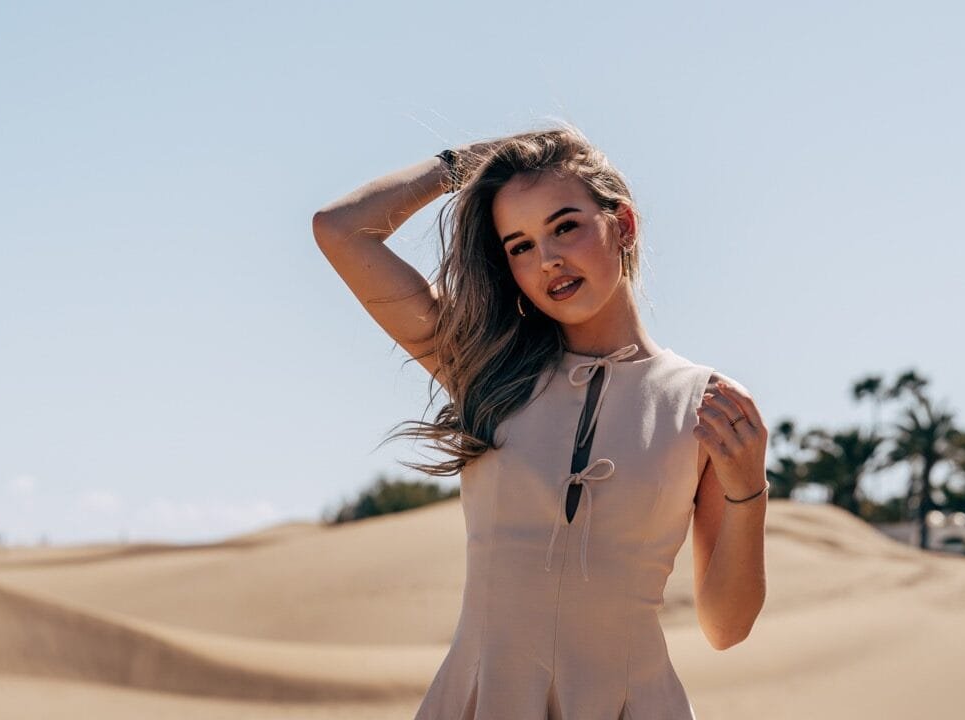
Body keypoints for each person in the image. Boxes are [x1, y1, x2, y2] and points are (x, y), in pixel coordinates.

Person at [312, 123, 769, 719]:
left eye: (565, 226)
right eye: (520, 245)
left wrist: (747, 491)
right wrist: (466, 164)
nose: (548, 259)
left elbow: (725, 628)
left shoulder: (706, 403)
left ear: (624, 226)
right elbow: (341, 230)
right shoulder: (485, 372)